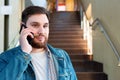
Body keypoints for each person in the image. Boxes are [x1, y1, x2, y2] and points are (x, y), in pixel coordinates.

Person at [0, 6, 77, 80]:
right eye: (35, 25)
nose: (42, 31)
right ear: (22, 27)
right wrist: (23, 54)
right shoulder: (5, 58)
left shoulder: (62, 56)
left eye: (45, 26)